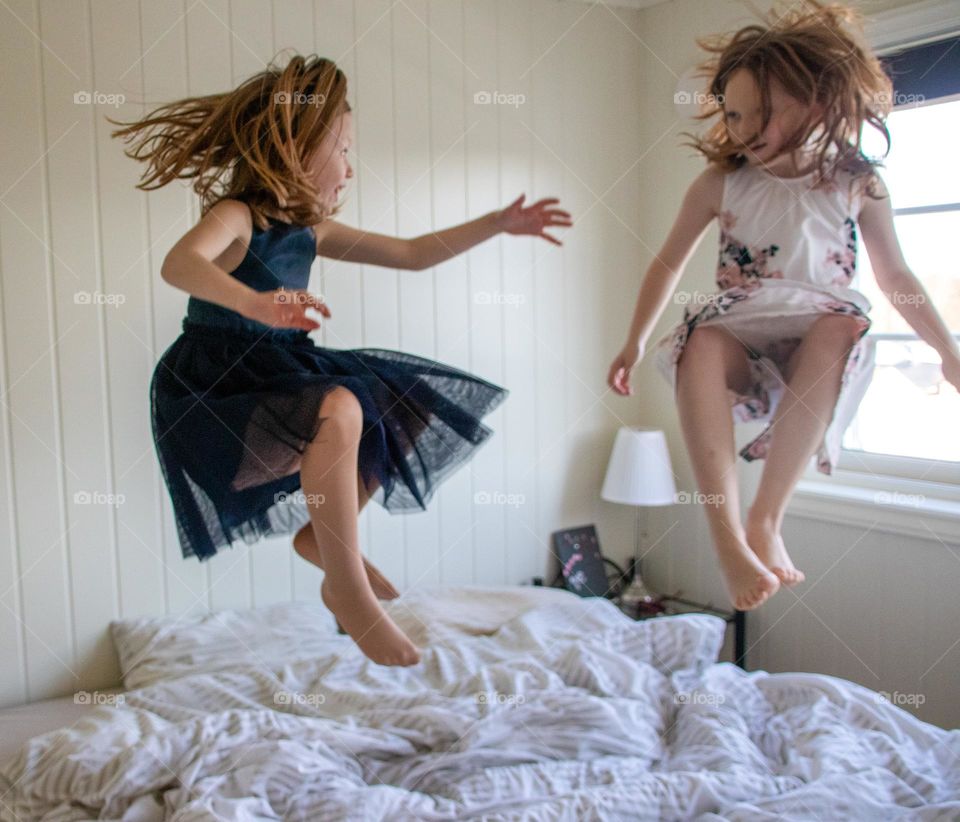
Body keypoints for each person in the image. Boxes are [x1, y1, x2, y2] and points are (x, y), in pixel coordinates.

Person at [109, 54, 572, 666]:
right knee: (343, 405)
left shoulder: (312, 230)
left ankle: (322, 540)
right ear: (298, 149)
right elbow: (180, 264)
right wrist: (253, 301)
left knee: (400, 403)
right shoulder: (237, 216)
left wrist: (497, 222)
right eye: (344, 149)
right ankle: (347, 588)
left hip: (281, 368)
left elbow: (411, 254)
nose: (351, 167)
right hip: (217, 384)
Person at [607, 1, 960, 611]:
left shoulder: (857, 182)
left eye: (761, 112)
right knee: (702, 340)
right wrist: (634, 340)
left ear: (815, 103)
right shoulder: (722, 183)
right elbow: (666, 264)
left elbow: (895, 276)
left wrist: (946, 349)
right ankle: (727, 538)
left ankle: (765, 519)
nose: (744, 128)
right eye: (734, 114)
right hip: (741, 336)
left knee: (841, 323)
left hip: (815, 348)